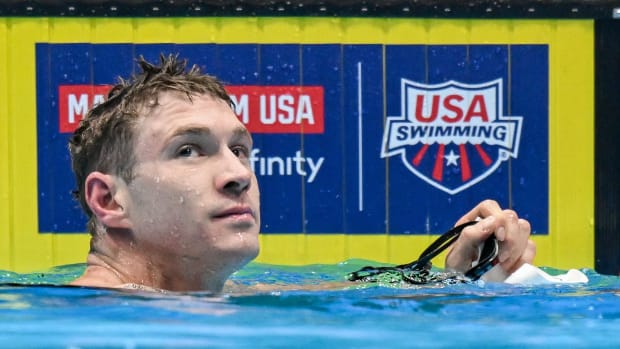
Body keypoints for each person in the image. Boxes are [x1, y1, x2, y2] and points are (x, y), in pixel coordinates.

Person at [68, 54, 536, 293]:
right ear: (109, 201)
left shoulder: (235, 296)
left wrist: (461, 277)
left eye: (240, 149)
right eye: (189, 150)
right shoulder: (60, 323)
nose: (237, 174)